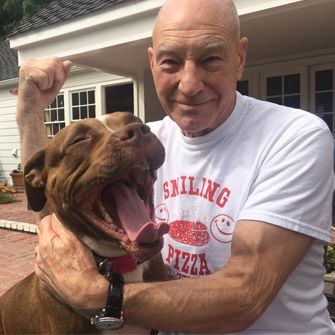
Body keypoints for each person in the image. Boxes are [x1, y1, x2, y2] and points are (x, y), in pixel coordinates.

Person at [16, 0, 335, 334]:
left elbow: (246, 295)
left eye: (210, 59)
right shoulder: (148, 143)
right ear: (152, 63)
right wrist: (29, 114)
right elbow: (59, 212)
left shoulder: (294, 136)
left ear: (239, 59)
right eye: (171, 62)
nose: (189, 83)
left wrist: (95, 294)